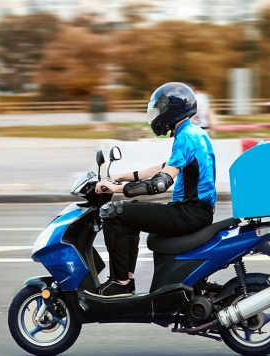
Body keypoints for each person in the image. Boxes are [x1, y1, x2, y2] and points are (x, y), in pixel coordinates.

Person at [90, 82, 216, 298]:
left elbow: (160, 183)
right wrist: (121, 175)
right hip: (196, 211)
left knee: (115, 212)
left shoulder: (185, 136)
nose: (157, 116)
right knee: (130, 212)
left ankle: (121, 283)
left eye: (160, 110)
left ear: (172, 110)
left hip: (189, 213)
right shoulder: (193, 132)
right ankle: (126, 280)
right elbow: (163, 168)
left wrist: (117, 188)